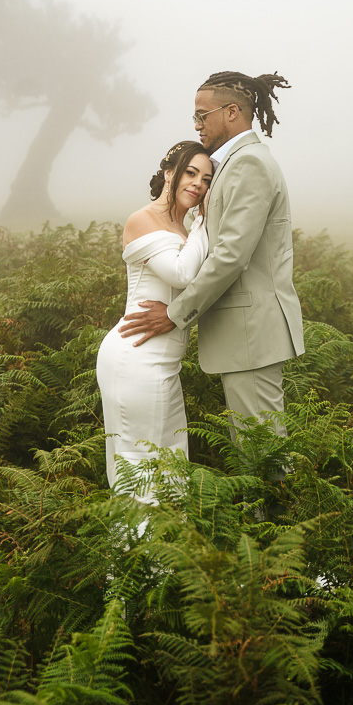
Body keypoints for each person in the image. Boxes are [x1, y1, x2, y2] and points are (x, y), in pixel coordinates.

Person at [119, 71, 305, 444]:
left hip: (251, 333)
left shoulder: (248, 164)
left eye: (202, 115)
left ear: (232, 111)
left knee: (260, 448)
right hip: (245, 334)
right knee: (255, 445)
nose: (196, 124)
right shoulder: (233, 164)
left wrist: (175, 314)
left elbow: (231, 256)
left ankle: (272, 505)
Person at [96, 140, 213, 501]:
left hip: (164, 361)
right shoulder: (143, 219)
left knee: (172, 461)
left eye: (207, 179)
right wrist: (205, 223)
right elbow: (180, 274)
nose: (198, 184)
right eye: (190, 173)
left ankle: (167, 554)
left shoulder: (185, 227)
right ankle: (135, 554)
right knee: (139, 465)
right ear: (168, 173)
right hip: (136, 355)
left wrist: (197, 226)